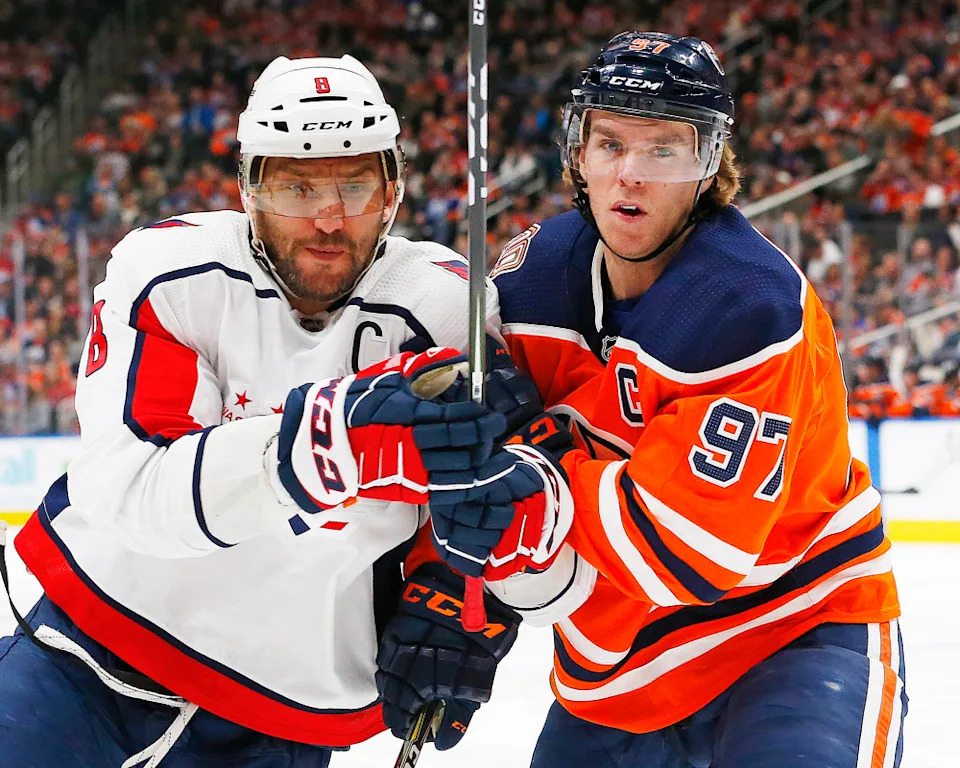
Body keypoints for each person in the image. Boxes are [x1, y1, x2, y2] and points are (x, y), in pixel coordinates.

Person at [378, 31, 908, 768]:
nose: (629, 174)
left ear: (710, 165)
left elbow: (689, 554)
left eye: (664, 149)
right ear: (578, 153)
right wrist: (456, 597)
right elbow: (474, 464)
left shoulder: (747, 304)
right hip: (614, 669)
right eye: (609, 143)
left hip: (790, 627)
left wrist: (532, 472)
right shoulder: (529, 284)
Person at [0, 54, 511, 767]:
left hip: (286, 709)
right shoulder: (171, 273)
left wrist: (455, 600)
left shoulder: (447, 312)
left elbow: (485, 500)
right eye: (299, 186)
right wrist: (339, 439)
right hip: (88, 659)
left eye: (354, 184)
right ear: (249, 187)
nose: (329, 219)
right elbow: (136, 490)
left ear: (392, 188)